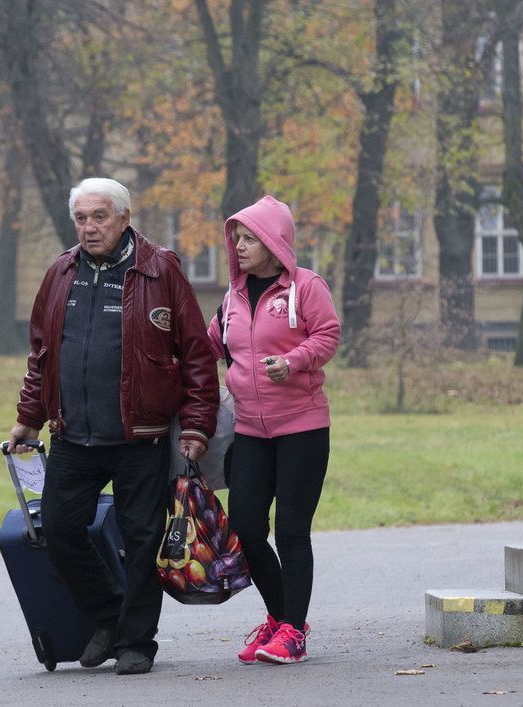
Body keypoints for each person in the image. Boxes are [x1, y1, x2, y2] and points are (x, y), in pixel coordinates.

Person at [7, 177, 218, 675]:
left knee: (142, 537)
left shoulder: (159, 270)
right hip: (73, 436)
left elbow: (196, 356)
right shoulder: (60, 272)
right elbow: (41, 356)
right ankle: (109, 616)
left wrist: (196, 425)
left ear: (124, 217)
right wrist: (27, 418)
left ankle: (137, 643)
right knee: (57, 529)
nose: (89, 227)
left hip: (139, 437)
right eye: (81, 218)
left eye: (99, 217)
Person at [206, 195, 341, 665]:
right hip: (249, 431)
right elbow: (208, 346)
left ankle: (291, 633)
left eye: (248, 239)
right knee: (244, 525)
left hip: (301, 428)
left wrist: (293, 362)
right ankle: (283, 620)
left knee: (291, 531)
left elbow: (327, 335)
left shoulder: (306, 287)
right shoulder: (232, 298)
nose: (239, 247)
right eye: (236, 239)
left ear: (273, 242)